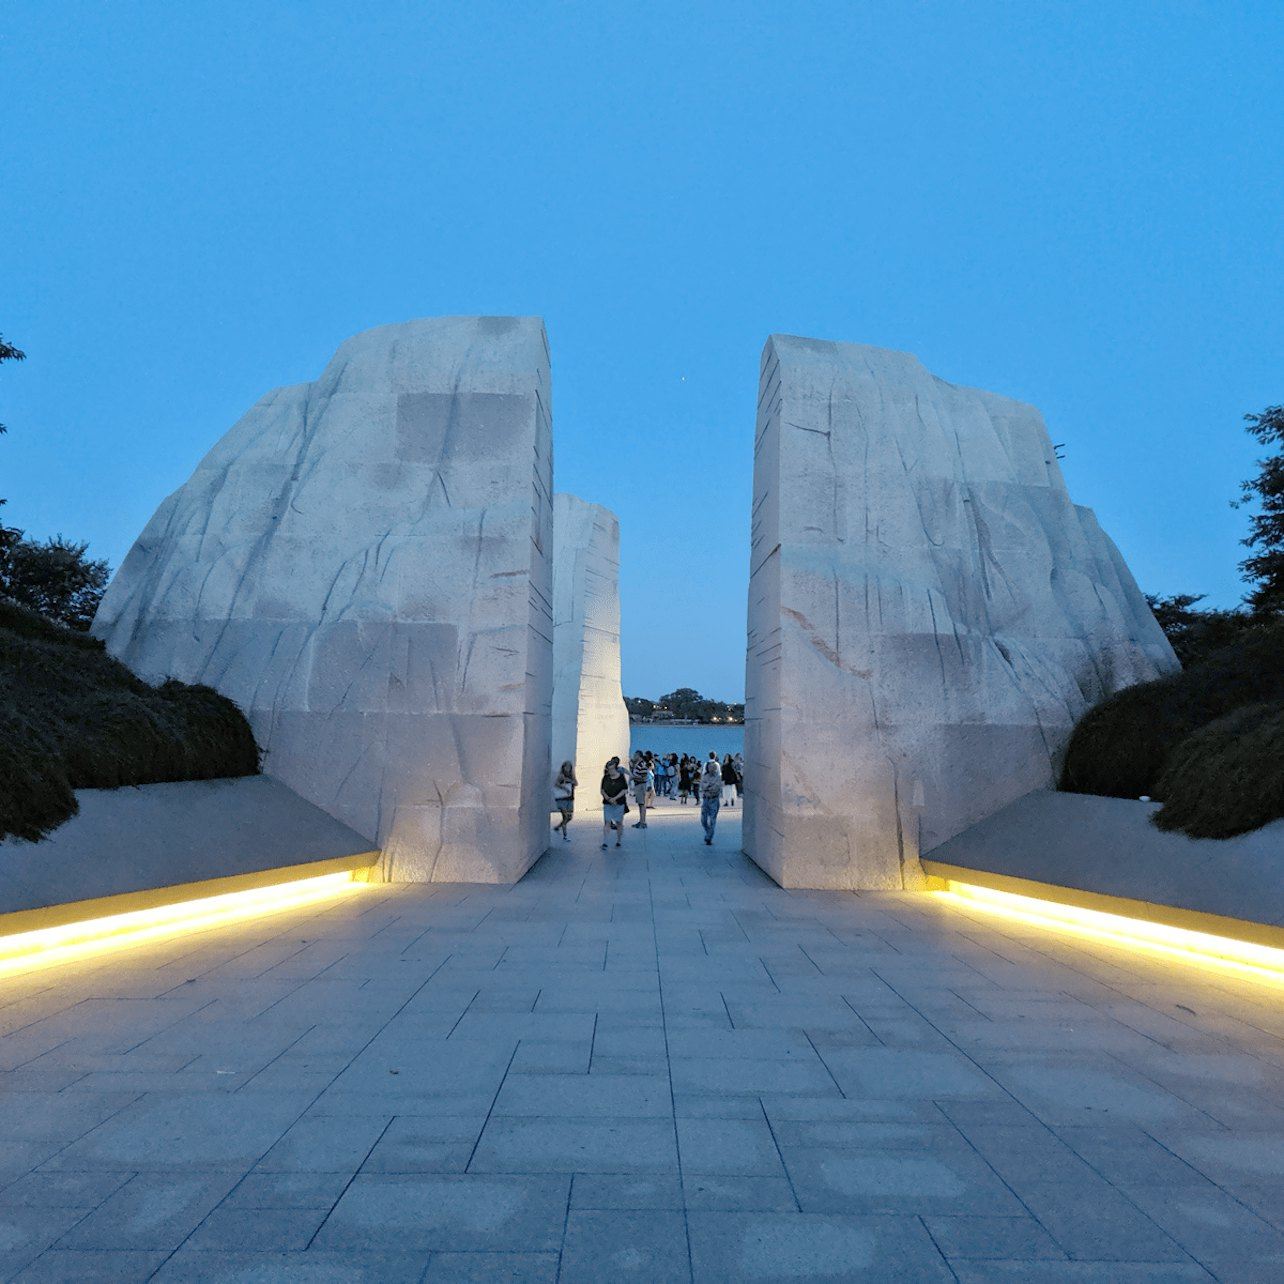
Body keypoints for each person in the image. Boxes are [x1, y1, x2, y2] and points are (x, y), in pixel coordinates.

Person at [601, 757, 628, 849]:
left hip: (619, 803)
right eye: (609, 769)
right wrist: (608, 798)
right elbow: (602, 790)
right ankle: (605, 842)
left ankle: (619, 840)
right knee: (607, 822)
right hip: (607, 803)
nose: (610, 771)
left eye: (612, 768)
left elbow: (624, 790)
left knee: (619, 822)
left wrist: (615, 798)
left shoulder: (621, 777)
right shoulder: (606, 777)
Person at [700, 756, 723, 844]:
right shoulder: (705, 776)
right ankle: (708, 832)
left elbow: (716, 788)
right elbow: (702, 786)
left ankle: (709, 836)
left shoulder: (718, 777)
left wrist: (708, 786)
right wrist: (709, 785)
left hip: (714, 800)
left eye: (713, 767)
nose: (711, 768)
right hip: (706, 800)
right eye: (710, 767)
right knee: (703, 820)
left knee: (712, 819)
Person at [552, 760, 577, 840]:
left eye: (569, 767)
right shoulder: (561, 776)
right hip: (562, 799)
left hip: (570, 798)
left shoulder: (571, 776)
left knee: (569, 817)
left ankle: (559, 826)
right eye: (566, 767)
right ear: (563, 767)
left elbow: (576, 783)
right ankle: (565, 835)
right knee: (565, 816)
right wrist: (564, 787)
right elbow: (556, 783)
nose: (568, 768)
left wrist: (570, 781)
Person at [630, 752, 652, 828]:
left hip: (641, 786)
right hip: (639, 785)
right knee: (640, 804)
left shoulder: (642, 764)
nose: (633, 757)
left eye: (635, 755)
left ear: (638, 756)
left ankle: (643, 822)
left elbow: (643, 777)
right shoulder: (639, 764)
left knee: (642, 804)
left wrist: (633, 777)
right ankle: (641, 821)